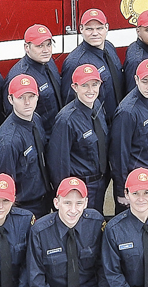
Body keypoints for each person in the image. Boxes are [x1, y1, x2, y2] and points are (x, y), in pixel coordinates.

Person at [48, 64, 112, 210]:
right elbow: (59, 164)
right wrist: (66, 196)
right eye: (85, 85)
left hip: (100, 183)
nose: (91, 90)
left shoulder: (97, 106)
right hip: (79, 188)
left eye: (94, 84)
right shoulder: (66, 120)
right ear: (75, 87)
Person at [0, 73, 50, 217]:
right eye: (21, 97)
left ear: (38, 96)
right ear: (10, 99)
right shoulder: (7, 142)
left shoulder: (36, 119)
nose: (27, 102)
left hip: (43, 201)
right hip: (23, 208)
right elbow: (4, 187)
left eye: (31, 96)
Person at [111, 59, 148, 207]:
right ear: (136, 80)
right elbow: (119, 154)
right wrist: (121, 190)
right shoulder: (127, 112)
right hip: (133, 178)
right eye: (145, 81)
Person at [62, 8, 125, 103]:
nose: (95, 33)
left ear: (106, 28)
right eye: (89, 29)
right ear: (81, 29)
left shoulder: (109, 47)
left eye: (99, 28)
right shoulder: (74, 62)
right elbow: (70, 101)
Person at [5, 24, 64, 126]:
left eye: (48, 44)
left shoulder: (49, 62)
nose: (46, 50)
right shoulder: (20, 76)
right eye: (40, 46)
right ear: (27, 47)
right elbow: (15, 117)